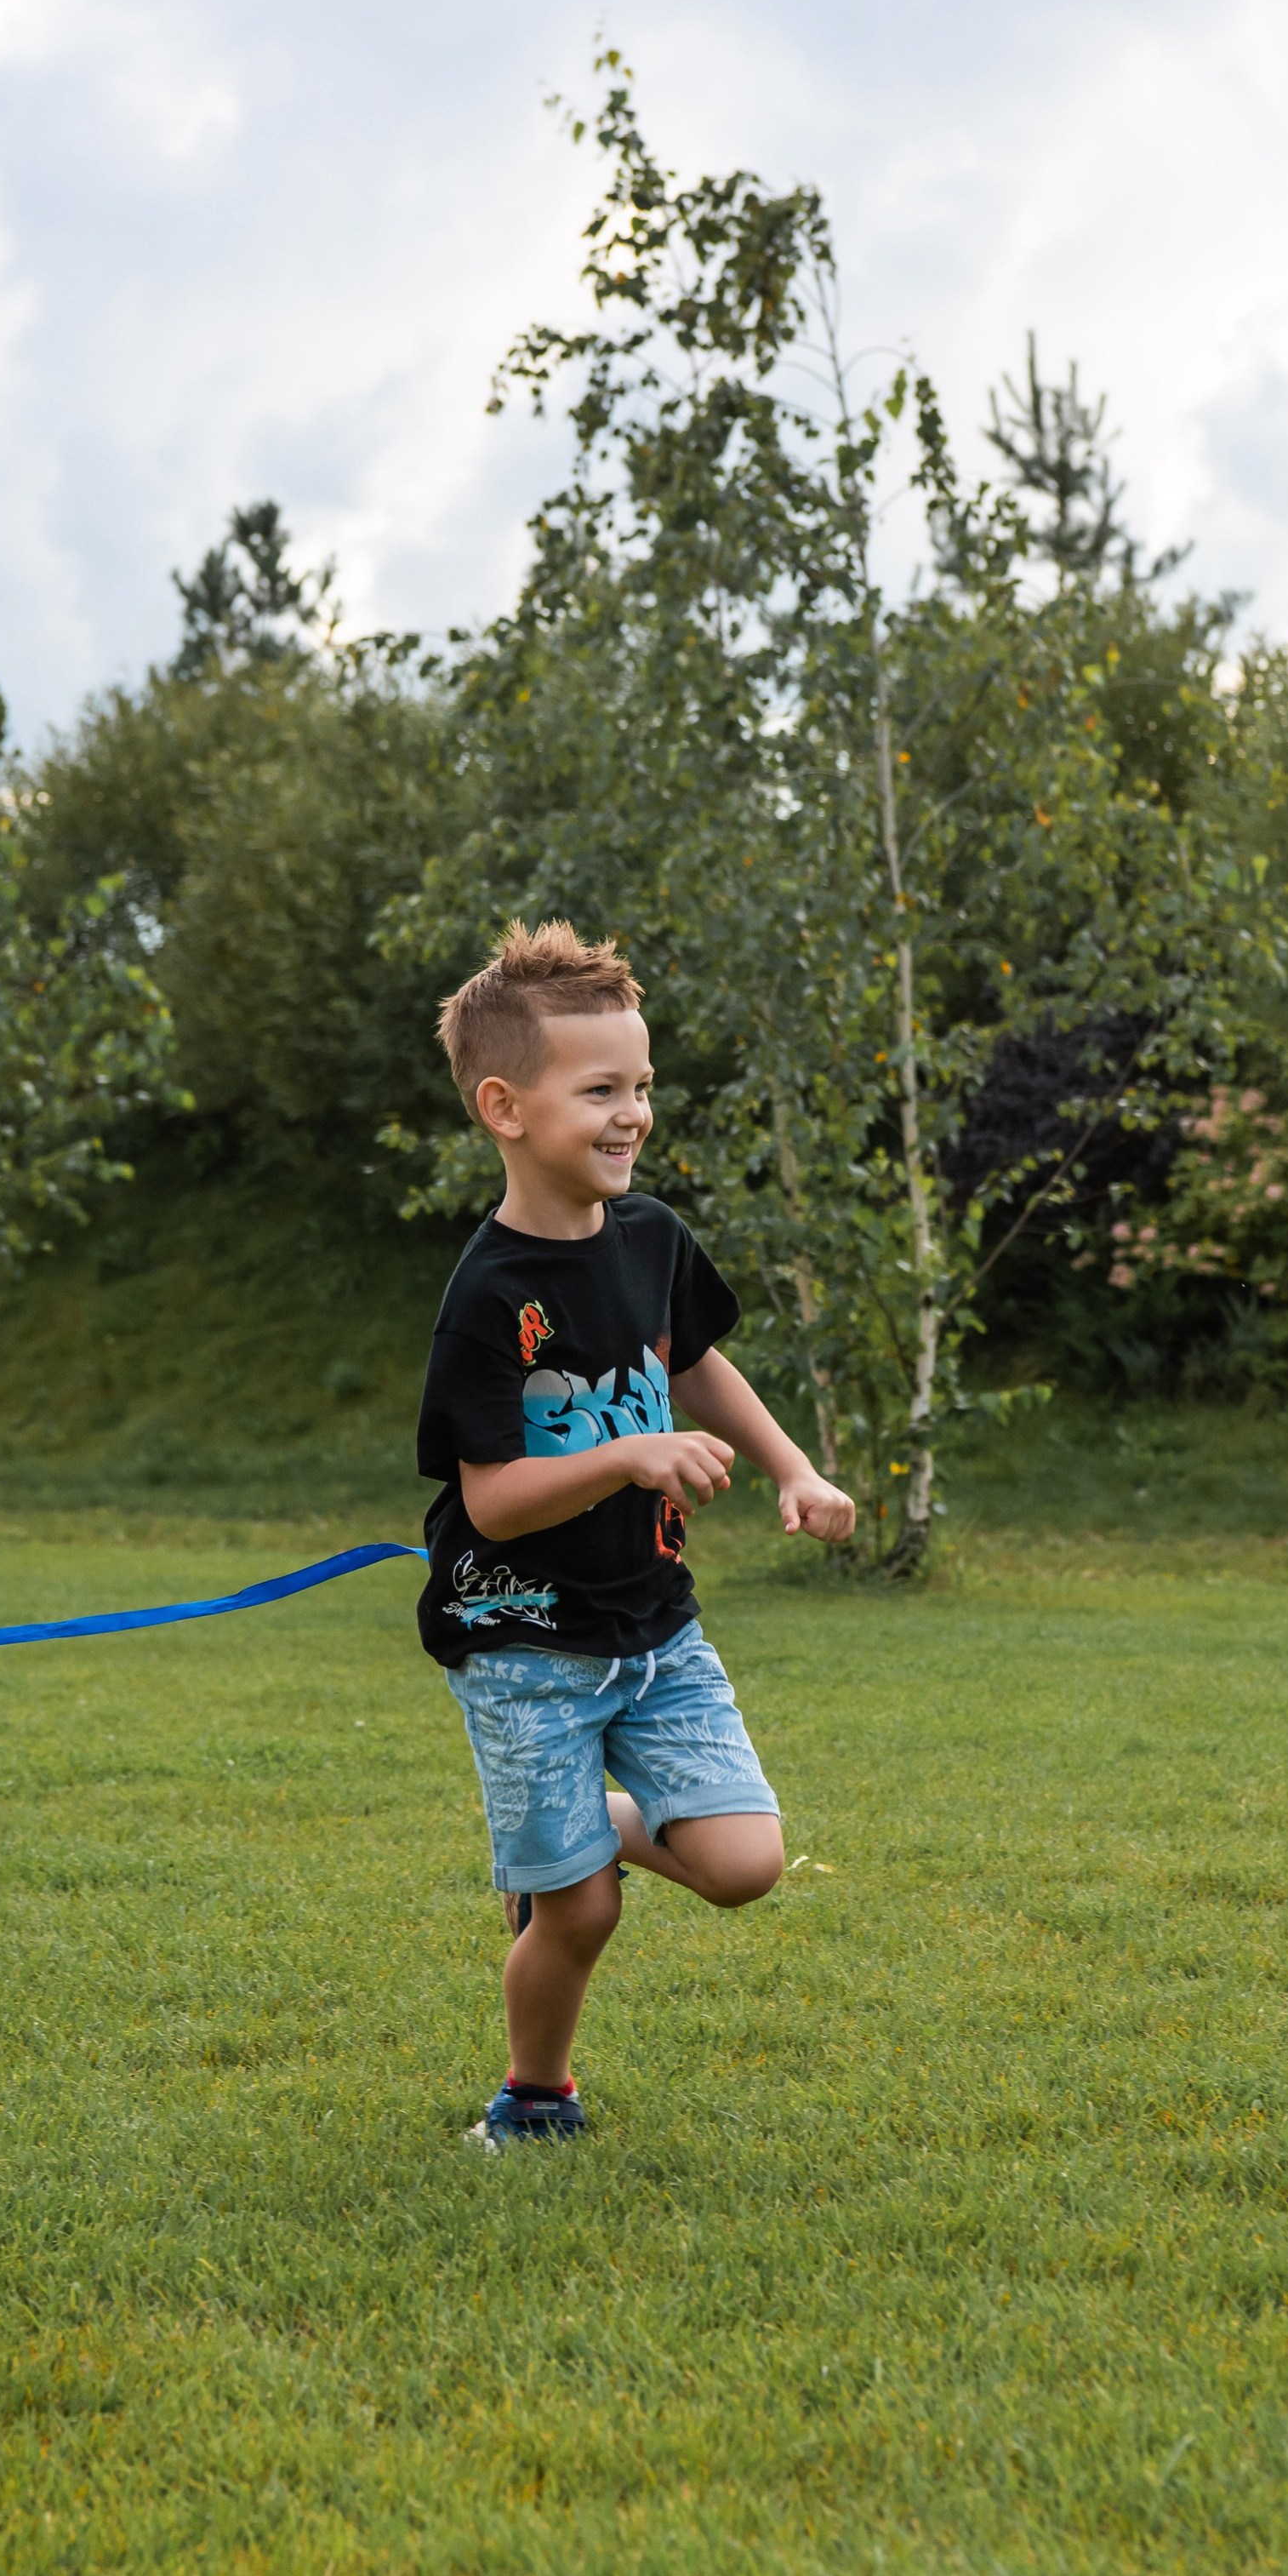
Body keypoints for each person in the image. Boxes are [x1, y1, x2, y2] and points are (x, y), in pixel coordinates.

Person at [415, 918, 857, 2147]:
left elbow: (697, 1364)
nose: (632, 1114)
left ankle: (566, 1834)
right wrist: (628, 1453)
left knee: (744, 1865)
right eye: (600, 1089)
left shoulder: (652, 1240)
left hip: (655, 1627)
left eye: (643, 1087)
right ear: (505, 1105)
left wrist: (793, 1466)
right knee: (584, 1915)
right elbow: (495, 1498)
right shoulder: (489, 1297)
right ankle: (534, 2097)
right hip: (524, 1645)